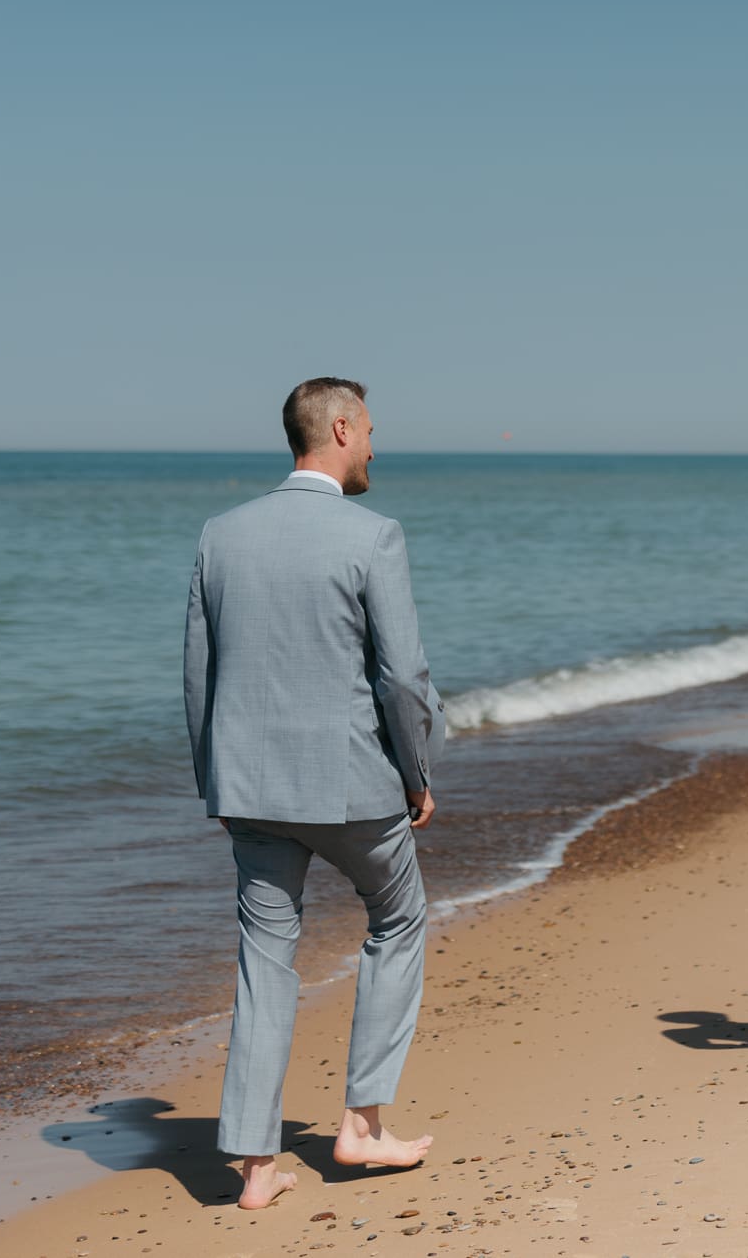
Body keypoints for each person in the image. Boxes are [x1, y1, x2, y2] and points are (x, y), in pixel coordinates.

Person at [184, 377, 446, 1208]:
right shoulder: (373, 535)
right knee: (399, 917)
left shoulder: (220, 536)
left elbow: (199, 674)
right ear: (339, 427)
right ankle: (362, 1123)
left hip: (250, 786)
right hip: (352, 786)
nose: (374, 444)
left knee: (265, 958)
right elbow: (402, 677)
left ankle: (257, 1168)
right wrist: (417, 773)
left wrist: (212, 780)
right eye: (368, 429)